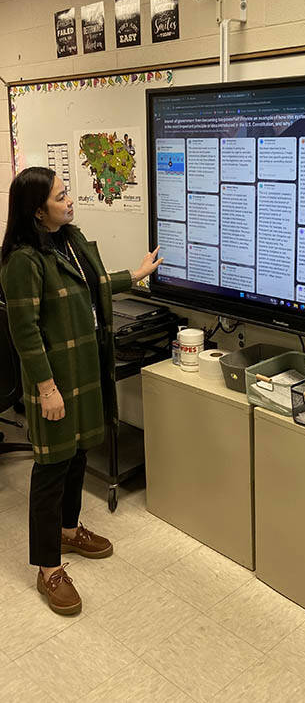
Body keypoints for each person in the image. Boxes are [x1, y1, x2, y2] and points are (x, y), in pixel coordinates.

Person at [0, 167, 163, 616]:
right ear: (37, 211)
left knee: (76, 458)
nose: (70, 200)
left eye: (67, 191)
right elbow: (25, 332)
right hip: (54, 381)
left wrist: (136, 273)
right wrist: (47, 388)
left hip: (83, 373)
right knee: (50, 469)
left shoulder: (69, 240)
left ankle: (69, 531)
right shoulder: (22, 261)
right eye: (60, 196)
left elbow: (90, 290)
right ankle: (48, 569)